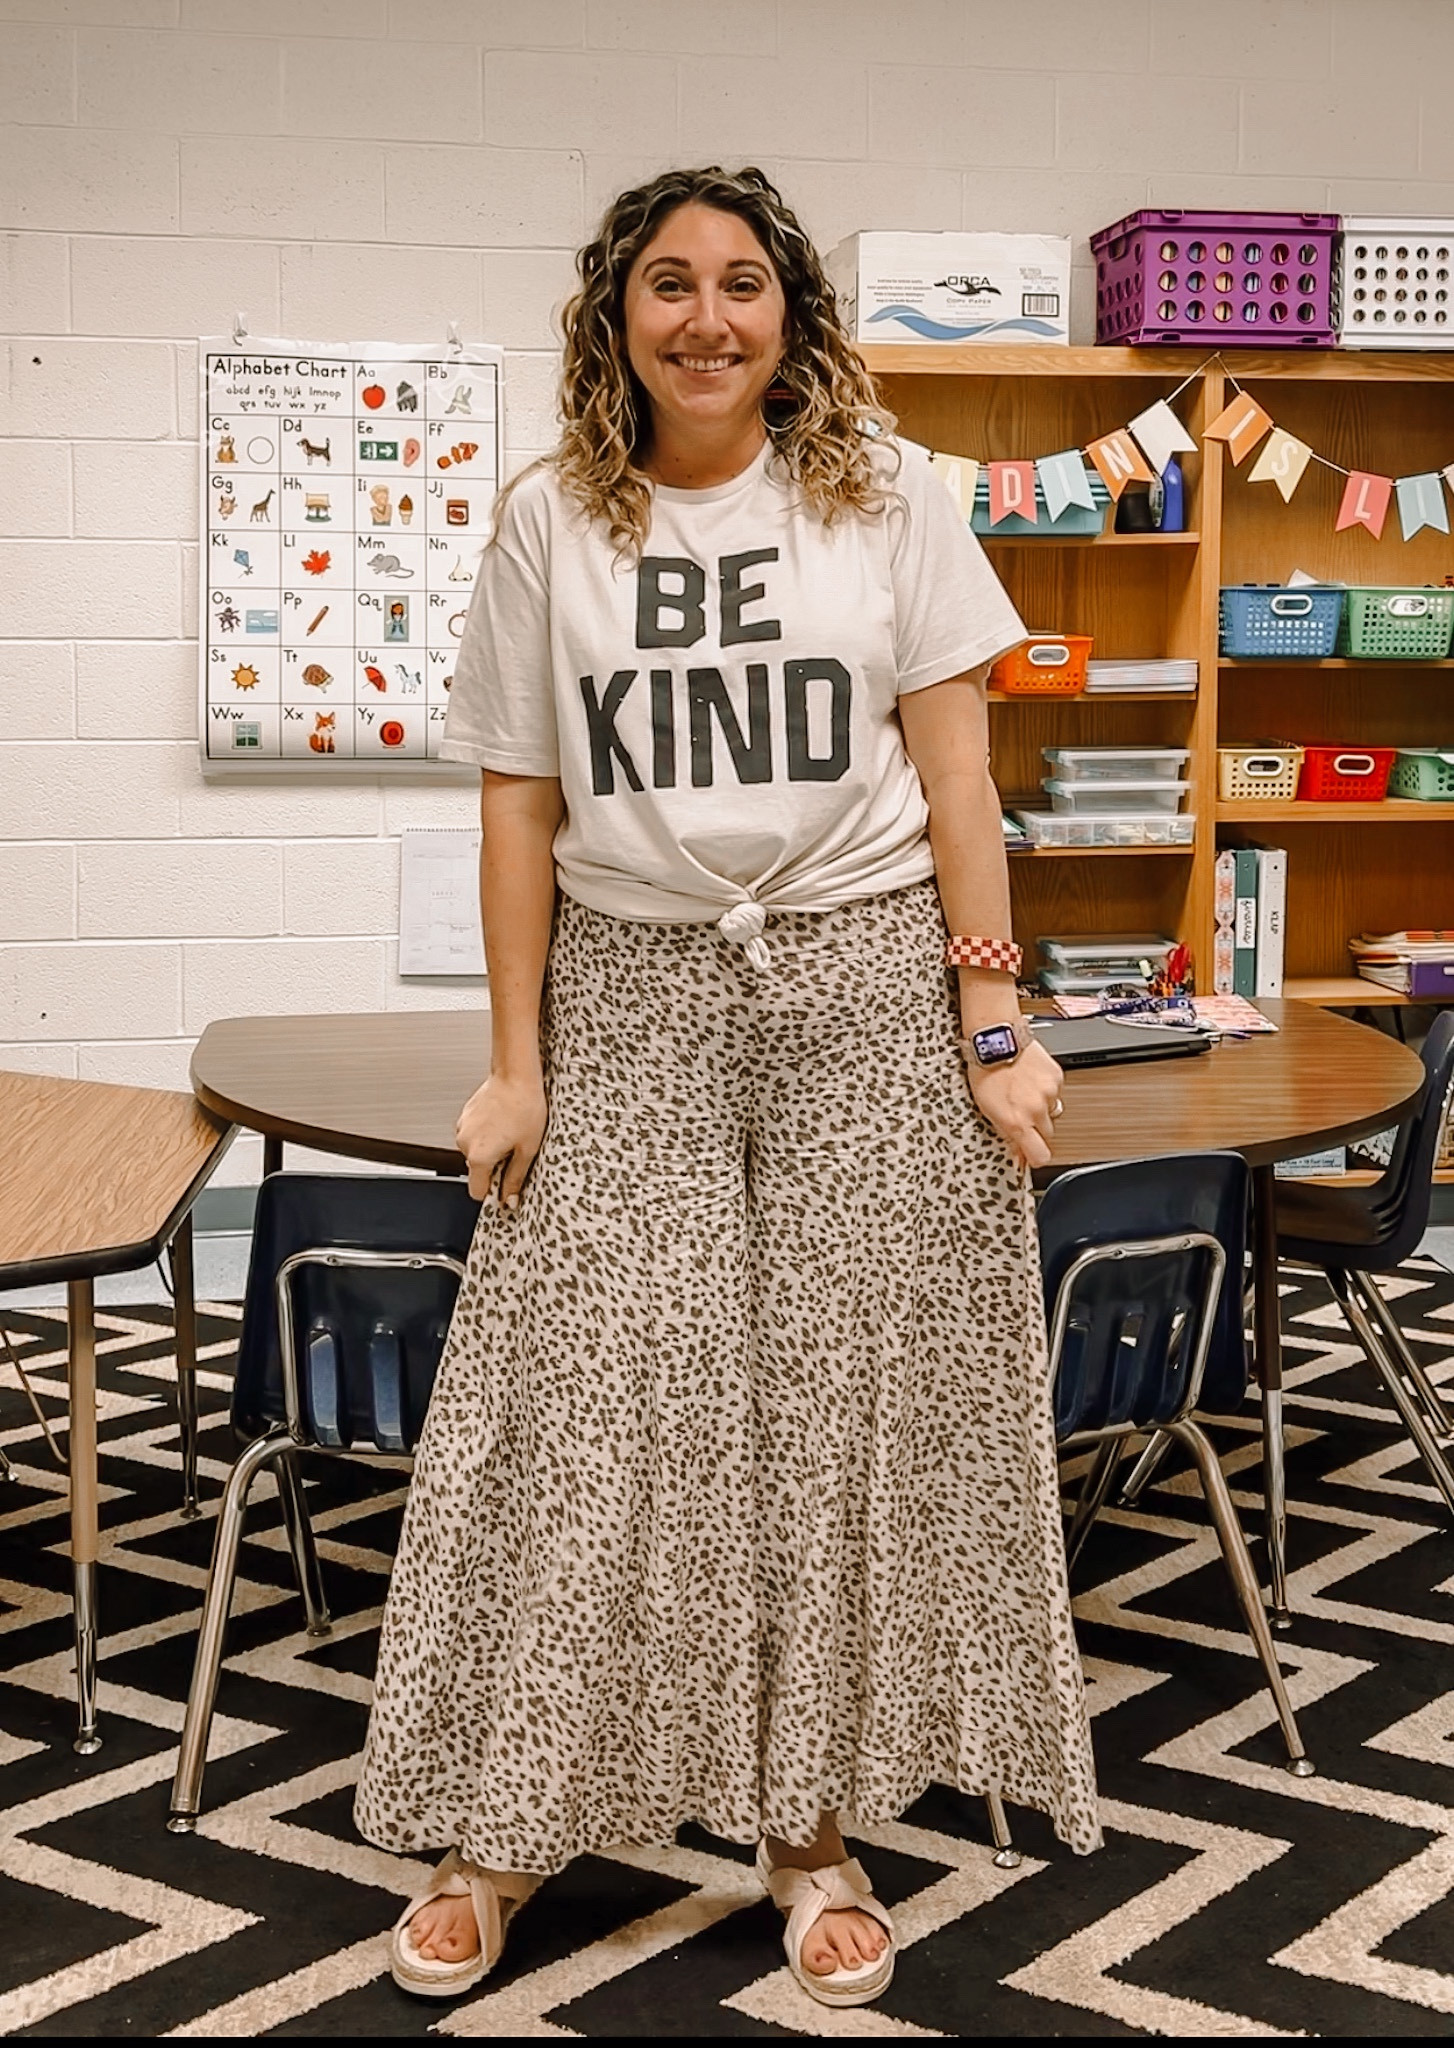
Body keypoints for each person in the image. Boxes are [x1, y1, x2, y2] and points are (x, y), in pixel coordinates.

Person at [354, 164, 1100, 2011]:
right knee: (596, 1399)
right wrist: (516, 1063)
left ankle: (807, 1830)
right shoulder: (552, 523)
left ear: (791, 314)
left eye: (743, 284)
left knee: (832, 1417)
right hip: (630, 989)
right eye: (668, 285)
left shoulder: (889, 491)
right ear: (615, 315)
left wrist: (992, 1028)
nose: (707, 318)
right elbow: (518, 800)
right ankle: (509, 1822)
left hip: (859, 978)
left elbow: (954, 773)